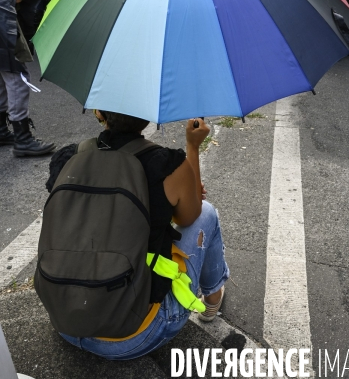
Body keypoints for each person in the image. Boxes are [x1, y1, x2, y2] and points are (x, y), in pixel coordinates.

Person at [44, 111, 229, 359]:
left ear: (99, 113)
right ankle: (213, 298)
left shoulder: (69, 158)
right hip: (134, 336)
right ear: (149, 115)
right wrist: (192, 147)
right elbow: (190, 216)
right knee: (207, 213)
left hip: (65, 320)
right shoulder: (165, 165)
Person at [0, 0, 55, 155]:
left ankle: (1, 130)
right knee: (16, 77)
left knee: (2, 77)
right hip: (2, 25)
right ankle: (22, 138)